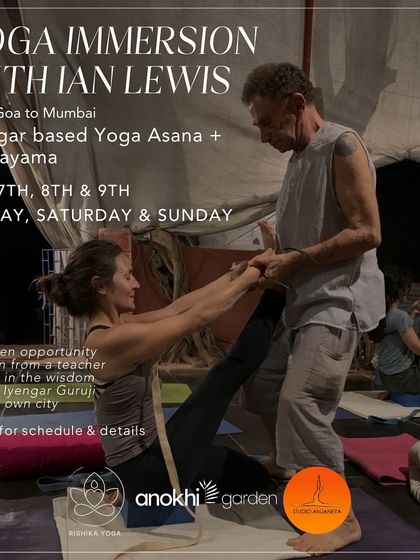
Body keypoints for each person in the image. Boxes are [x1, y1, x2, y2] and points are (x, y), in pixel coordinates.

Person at [241, 62, 385, 553]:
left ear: (297, 104)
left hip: (335, 303)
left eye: (267, 122)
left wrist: (298, 258)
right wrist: (275, 250)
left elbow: (368, 231)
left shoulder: (341, 145)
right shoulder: (299, 158)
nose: (263, 135)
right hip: (302, 301)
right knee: (261, 387)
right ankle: (290, 466)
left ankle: (340, 519)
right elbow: (309, 232)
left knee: (300, 399)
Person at [36, 239, 285, 503]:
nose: (136, 284)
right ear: (101, 286)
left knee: (254, 476)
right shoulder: (108, 342)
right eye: (127, 277)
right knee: (225, 375)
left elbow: (176, 309)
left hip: (152, 456)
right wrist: (258, 274)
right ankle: (279, 293)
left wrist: (233, 276)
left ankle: (145, 493)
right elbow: (196, 318)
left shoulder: (120, 326)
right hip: (145, 472)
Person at [372, 266, 420, 394]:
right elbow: (418, 349)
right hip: (404, 379)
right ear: (400, 291)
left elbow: (396, 332)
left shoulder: (380, 314)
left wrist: (413, 314)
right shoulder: (400, 316)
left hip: (386, 379)